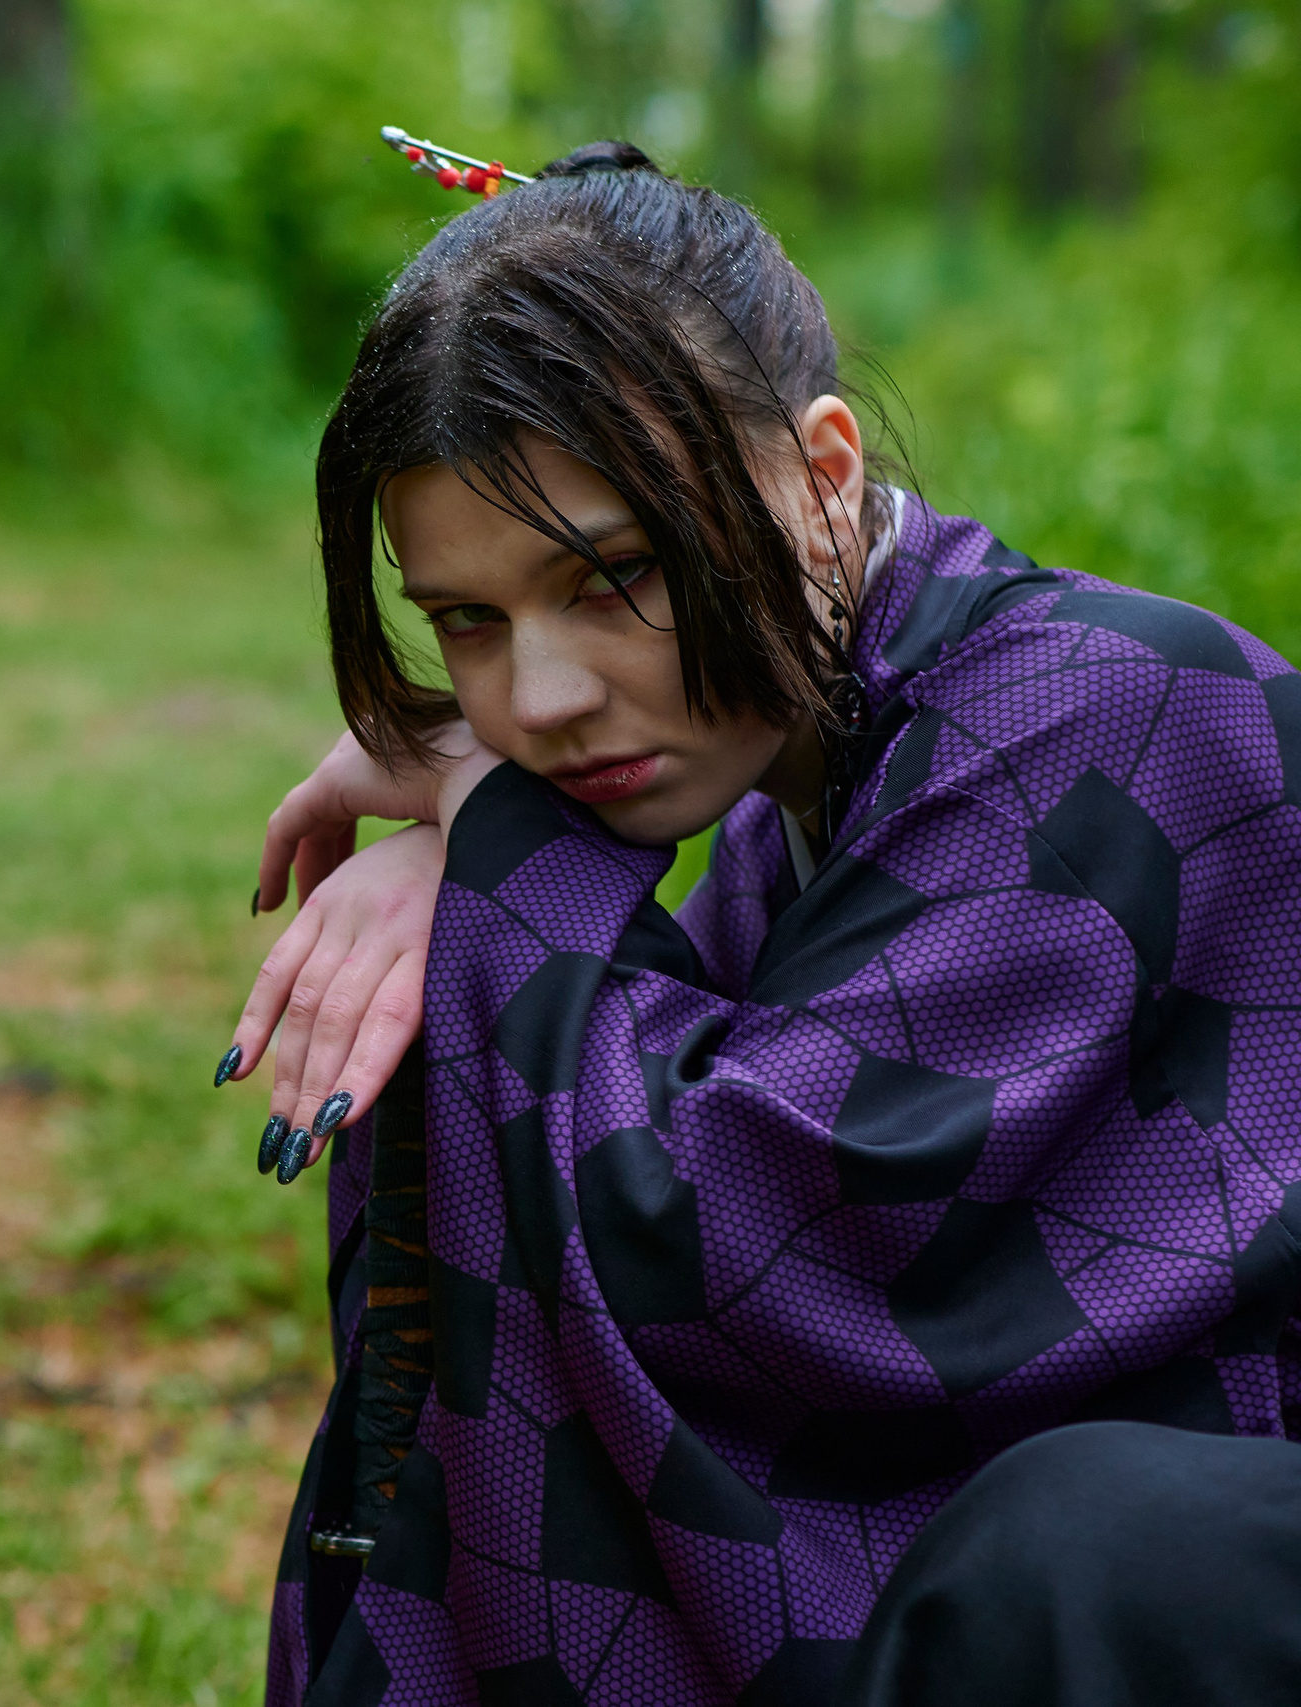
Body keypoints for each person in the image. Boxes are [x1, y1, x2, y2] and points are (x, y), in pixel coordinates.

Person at [213, 140, 1301, 1707]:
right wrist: (467, 851)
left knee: (1078, 1550)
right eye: (467, 623)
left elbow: (751, 1241)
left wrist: (493, 831)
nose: (540, 698)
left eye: (617, 576)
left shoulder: (1120, 716)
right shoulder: (789, 793)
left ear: (825, 474)